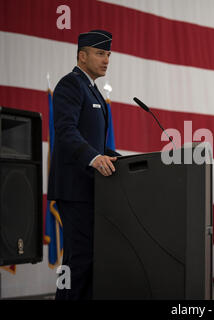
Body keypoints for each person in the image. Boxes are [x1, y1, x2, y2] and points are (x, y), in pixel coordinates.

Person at [47, 29, 121, 300]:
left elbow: (97, 144)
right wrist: (94, 158)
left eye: (109, 54)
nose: (106, 60)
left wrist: (127, 161)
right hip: (74, 190)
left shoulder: (95, 92)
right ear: (82, 55)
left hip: (92, 190)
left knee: (91, 260)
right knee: (78, 261)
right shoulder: (70, 85)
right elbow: (65, 131)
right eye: (100, 53)